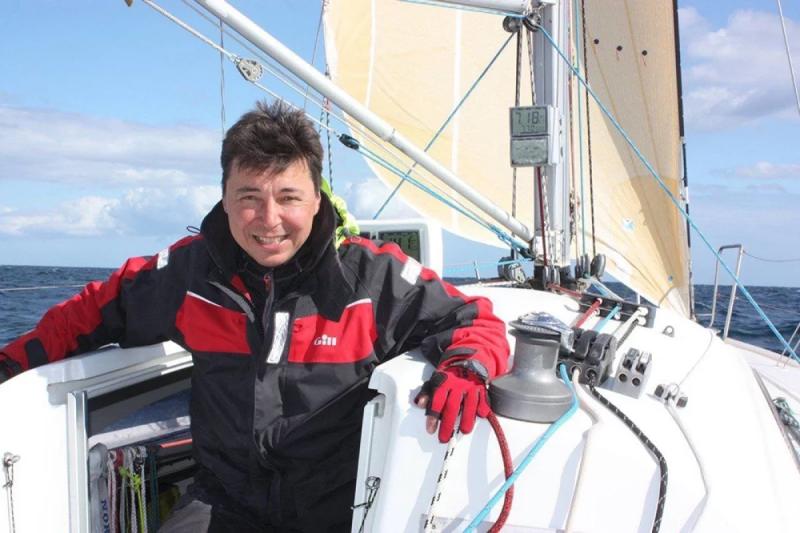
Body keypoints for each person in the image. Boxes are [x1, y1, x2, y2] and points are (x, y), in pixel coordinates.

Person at [0, 101, 509, 532]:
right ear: (224, 199)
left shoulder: (372, 279)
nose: (269, 220)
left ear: (317, 200)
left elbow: (473, 319)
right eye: (249, 198)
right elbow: (91, 311)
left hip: (338, 511)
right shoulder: (189, 275)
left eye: (288, 198)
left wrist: (466, 368)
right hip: (226, 504)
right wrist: (10, 364)